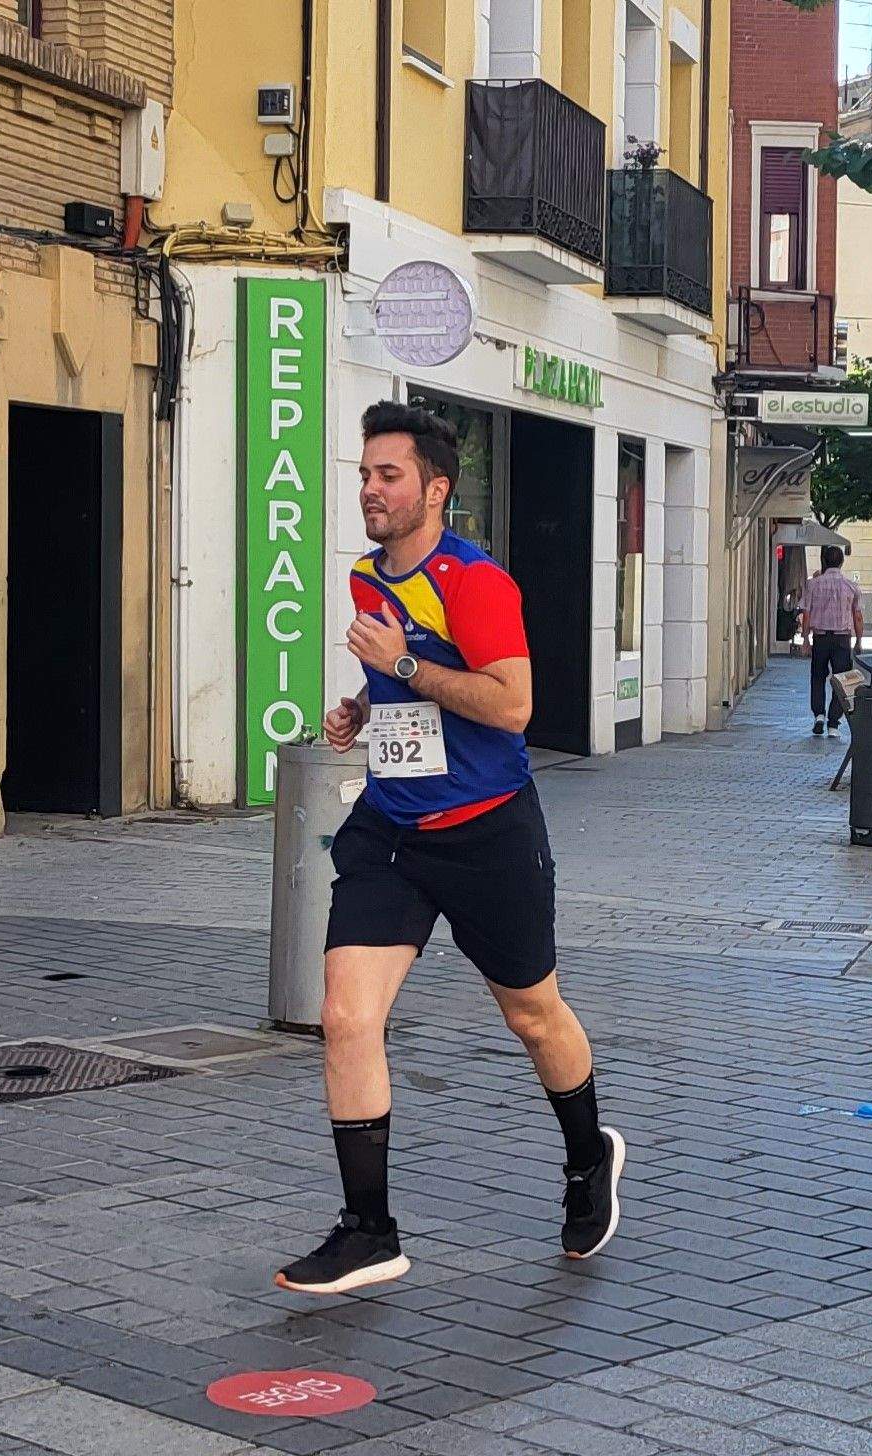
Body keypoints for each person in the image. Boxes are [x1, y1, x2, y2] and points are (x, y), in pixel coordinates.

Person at [277, 402, 623, 1297]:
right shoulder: (364, 578)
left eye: (387, 476)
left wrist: (398, 670)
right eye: (362, 474)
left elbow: (512, 706)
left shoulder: (475, 582)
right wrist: (365, 710)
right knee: (348, 1018)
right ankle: (369, 1231)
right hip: (392, 830)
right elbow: (399, 684)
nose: (369, 490)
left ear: (437, 488)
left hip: (488, 833)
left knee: (532, 1015)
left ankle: (589, 1158)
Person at [796, 546, 863, 736]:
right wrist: (858, 641)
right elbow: (857, 617)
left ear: (824, 561)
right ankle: (834, 722)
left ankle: (818, 714)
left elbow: (806, 613)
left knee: (818, 676)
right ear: (842, 562)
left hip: (820, 638)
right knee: (841, 680)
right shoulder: (851, 586)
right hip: (842, 639)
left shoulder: (813, 585)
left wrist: (806, 639)